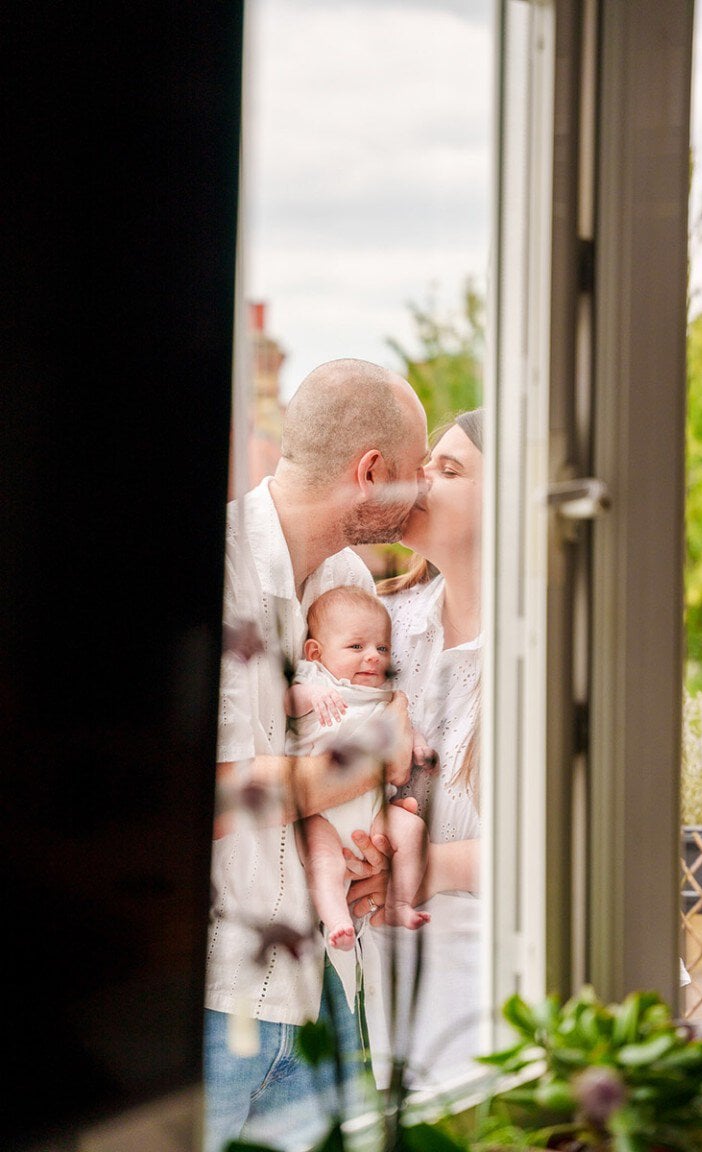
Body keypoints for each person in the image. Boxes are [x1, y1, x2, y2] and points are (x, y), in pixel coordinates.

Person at [203, 358, 429, 1152]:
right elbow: (225, 803)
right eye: (411, 476)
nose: (420, 498)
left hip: (329, 992)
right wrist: (369, 756)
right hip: (220, 1003)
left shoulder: (346, 584)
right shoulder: (221, 571)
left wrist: (367, 861)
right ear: (369, 473)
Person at [346, 408, 485, 1093]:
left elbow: (595, 847)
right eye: (425, 462)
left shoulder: (561, 647)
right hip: (393, 1007)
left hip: (509, 1004)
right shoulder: (380, 628)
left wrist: (430, 865)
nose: (421, 477)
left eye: (450, 469)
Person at [285, 586, 431, 966]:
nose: (372, 657)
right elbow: (287, 703)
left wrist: (419, 745)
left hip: (370, 807)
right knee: (324, 859)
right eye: (356, 647)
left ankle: (398, 901)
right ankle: (335, 918)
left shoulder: (383, 695)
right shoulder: (315, 680)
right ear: (316, 652)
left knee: (412, 830)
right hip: (319, 811)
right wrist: (312, 696)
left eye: (382, 649)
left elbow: (404, 731)